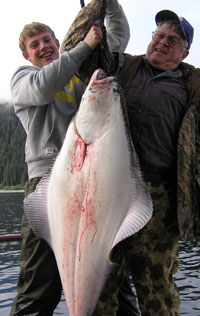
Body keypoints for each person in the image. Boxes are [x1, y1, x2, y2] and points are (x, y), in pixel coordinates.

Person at [9, 1, 130, 315]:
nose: (43, 47)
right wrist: (83, 47)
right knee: (39, 283)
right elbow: (43, 88)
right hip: (48, 183)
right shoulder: (23, 79)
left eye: (48, 40)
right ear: (26, 55)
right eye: (35, 45)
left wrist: (109, 5)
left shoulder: (80, 77)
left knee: (114, 283)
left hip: (95, 176)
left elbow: (115, 44)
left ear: (57, 41)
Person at [116, 9, 200, 316]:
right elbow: (78, 51)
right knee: (102, 285)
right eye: (159, 36)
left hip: (160, 197)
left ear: (185, 51)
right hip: (109, 191)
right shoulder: (122, 66)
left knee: (156, 288)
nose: (163, 42)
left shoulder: (192, 84)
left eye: (173, 39)